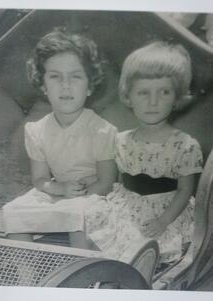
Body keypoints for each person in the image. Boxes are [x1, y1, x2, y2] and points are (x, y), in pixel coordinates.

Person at [85, 41, 203, 263]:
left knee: (145, 252)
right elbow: (113, 182)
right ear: (128, 96)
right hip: (128, 209)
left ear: (177, 97)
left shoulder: (186, 145)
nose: (153, 102)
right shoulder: (120, 140)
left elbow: (185, 191)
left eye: (164, 92)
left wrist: (163, 221)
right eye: (143, 92)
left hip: (166, 213)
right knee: (93, 223)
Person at [3, 28, 117, 249]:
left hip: (94, 197)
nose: (66, 85)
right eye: (55, 77)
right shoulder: (36, 130)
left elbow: (106, 183)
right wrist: (59, 189)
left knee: (77, 215)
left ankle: (83, 274)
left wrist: (73, 198)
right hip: (60, 193)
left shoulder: (102, 130)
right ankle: (28, 277)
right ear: (43, 85)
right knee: (13, 211)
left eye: (75, 76)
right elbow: (40, 180)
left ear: (90, 85)